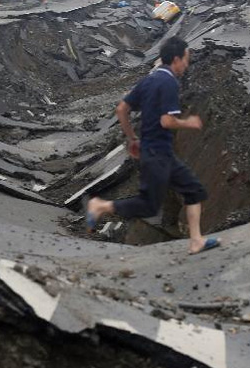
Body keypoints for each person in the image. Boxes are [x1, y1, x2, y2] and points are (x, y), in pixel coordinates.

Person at [85, 37, 219, 255]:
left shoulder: (150, 79)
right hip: (158, 153)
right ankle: (100, 206)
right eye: (186, 60)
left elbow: (121, 109)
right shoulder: (169, 83)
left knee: (194, 191)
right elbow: (167, 121)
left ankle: (196, 241)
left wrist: (132, 138)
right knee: (148, 206)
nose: (187, 65)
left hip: (155, 151)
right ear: (176, 59)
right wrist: (189, 123)